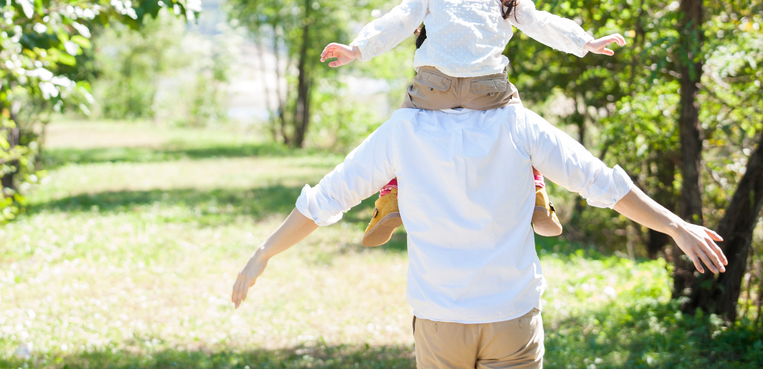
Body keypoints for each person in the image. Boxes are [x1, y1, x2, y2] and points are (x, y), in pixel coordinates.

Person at [231, 105, 727, 369]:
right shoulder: (518, 123)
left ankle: (391, 199)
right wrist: (675, 226)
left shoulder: (402, 129)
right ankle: (537, 197)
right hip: (511, 314)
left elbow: (326, 199)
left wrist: (264, 252)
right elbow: (602, 183)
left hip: (440, 316)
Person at [320, 0, 625, 245]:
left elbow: (396, 21)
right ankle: (536, 190)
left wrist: (357, 49)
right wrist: (585, 42)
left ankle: (390, 196)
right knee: (522, 126)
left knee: (403, 127)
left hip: (433, 90)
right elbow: (542, 22)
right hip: (488, 91)